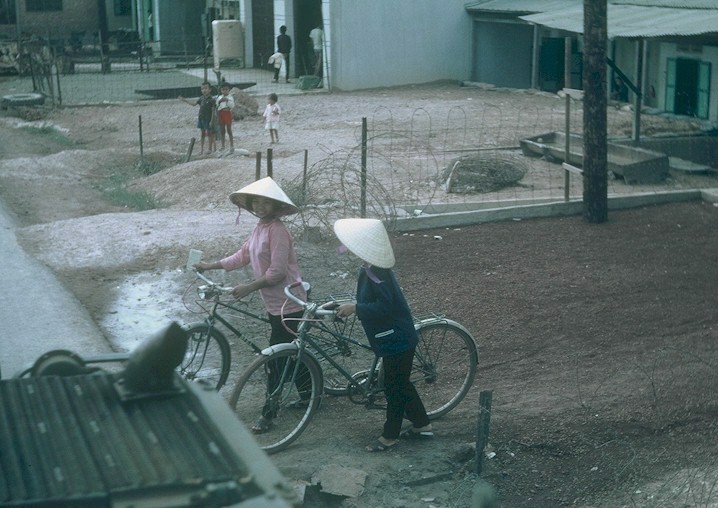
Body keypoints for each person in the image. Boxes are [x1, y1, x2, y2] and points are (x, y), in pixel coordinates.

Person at [193, 177, 308, 433]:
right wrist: (209, 265)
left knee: (274, 360)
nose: (259, 206)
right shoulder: (260, 228)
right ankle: (310, 394)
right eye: (256, 201)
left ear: (275, 206)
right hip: (273, 304)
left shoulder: (278, 231)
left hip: (290, 303)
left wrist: (248, 288)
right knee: (290, 350)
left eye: (265, 202)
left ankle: (269, 414)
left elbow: (277, 273)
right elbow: (242, 256)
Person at [333, 218, 433, 452]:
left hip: (397, 337)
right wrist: (350, 305)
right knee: (400, 383)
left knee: (394, 387)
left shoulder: (377, 272)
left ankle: (390, 435)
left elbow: (385, 306)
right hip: (393, 336)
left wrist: (356, 308)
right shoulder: (369, 268)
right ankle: (422, 425)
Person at [179, 82, 216, 155]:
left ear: (210, 89)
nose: (204, 90)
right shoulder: (201, 98)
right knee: (202, 134)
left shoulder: (212, 100)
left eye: (206, 88)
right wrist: (185, 100)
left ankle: (210, 149)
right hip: (201, 118)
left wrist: (212, 121)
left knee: (209, 134)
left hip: (208, 119)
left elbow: (213, 111)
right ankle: (201, 149)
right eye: (202, 89)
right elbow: (194, 104)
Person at [216, 81, 235, 153]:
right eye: (223, 89)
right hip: (221, 113)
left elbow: (232, 106)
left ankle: (231, 145)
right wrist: (220, 101)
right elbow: (217, 106)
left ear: (229, 90)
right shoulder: (219, 97)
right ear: (221, 90)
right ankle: (223, 146)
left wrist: (227, 100)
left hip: (227, 113)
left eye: (226, 89)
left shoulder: (230, 97)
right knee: (222, 130)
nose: (225, 91)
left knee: (229, 130)